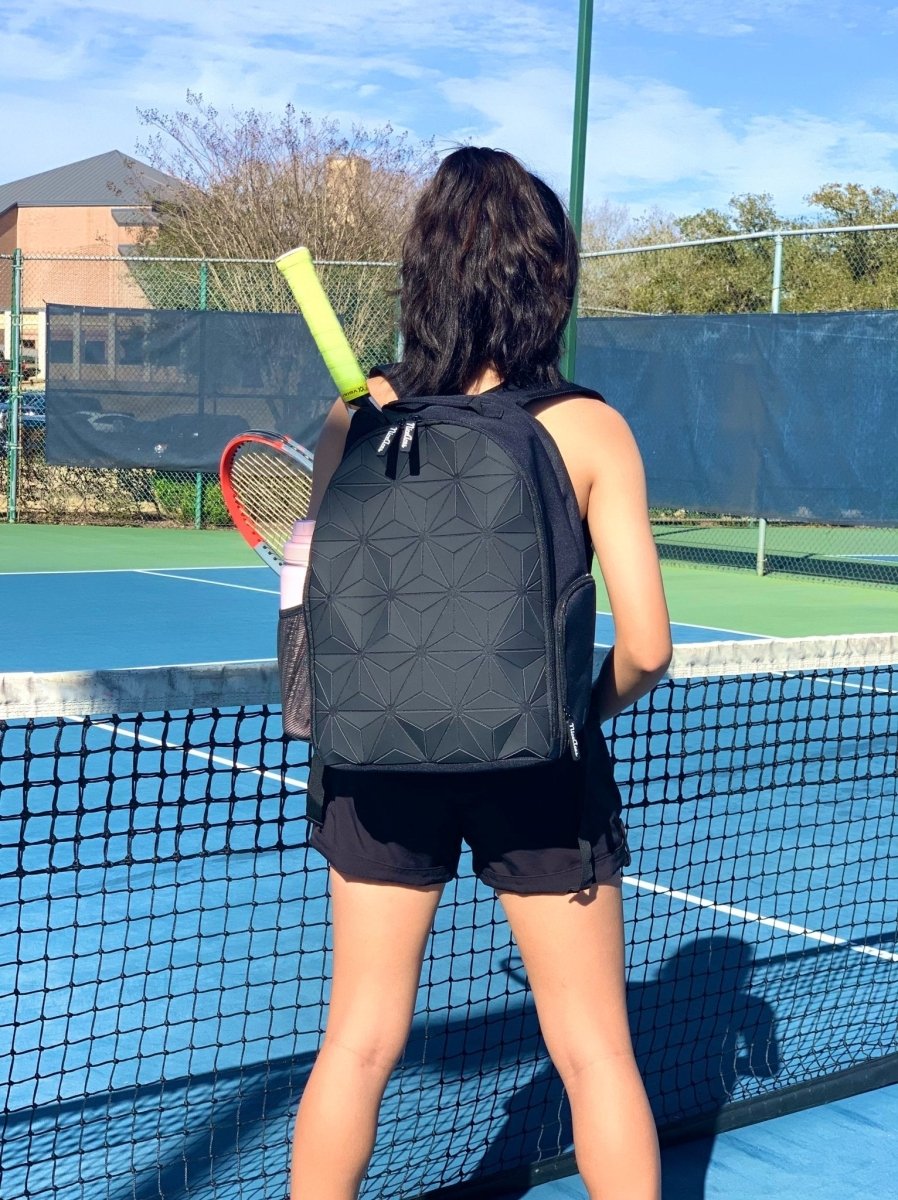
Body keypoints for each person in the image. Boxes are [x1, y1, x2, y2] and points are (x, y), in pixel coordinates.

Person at [289, 146, 672, 1200]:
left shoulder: (351, 419)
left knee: (356, 1046)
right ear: (546, 281)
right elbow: (647, 646)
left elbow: (317, 600)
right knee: (595, 1056)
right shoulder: (589, 428)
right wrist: (571, 715)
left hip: (374, 764)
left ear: (423, 276)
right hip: (541, 773)